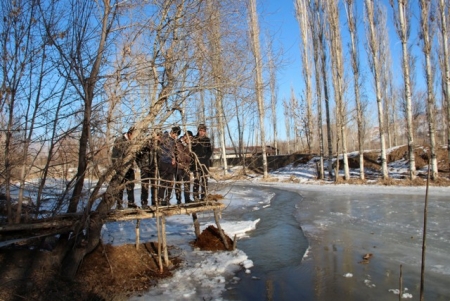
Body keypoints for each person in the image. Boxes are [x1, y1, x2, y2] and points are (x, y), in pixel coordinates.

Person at [111, 126, 137, 209]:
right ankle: (119, 204)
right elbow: (114, 155)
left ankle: (131, 203)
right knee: (120, 187)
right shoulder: (119, 140)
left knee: (131, 185)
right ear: (129, 134)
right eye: (133, 135)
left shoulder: (133, 142)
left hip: (130, 167)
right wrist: (117, 167)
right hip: (121, 168)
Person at [136, 131, 160, 208]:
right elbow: (137, 157)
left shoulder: (157, 146)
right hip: (145, 168)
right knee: (145, 186)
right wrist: (141, 166)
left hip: (153, 168)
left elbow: (158, 157)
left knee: (154, 186)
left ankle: (154, 201)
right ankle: (144, 202)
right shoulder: (143, 146)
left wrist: (156, 166)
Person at [157, 126, 181, 206]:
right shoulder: (166, 137)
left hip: (170, 163)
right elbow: (163, 146)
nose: (175, 136)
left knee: (170, 182)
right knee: (163, 181)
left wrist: (173, 158)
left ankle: (167, 198)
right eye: (175, 134)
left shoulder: (174, 141)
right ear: (172, 132)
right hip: (164, 162)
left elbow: (173, 151)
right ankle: (160, 199)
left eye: (177, 135)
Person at [191, 124, 212, 201]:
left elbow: (210, 151)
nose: (202, 132)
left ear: (205, 132)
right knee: (197, 179)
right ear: (198, 130)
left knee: (204, 180)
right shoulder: (194, 139)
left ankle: (204, 195)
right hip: (196, 163)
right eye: (200, 130)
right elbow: (191, 151)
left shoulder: (207, 140)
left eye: (203, 131)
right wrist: (195, 159)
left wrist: (205, 158)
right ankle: (195, 196)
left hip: (204, 163)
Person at [175, 131, 193, 204]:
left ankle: (187, 199)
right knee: (178, 184)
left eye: (190, 138)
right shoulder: (178, 143)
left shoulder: (189, 145)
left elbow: (190, 155)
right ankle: (178, 199)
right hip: (179, 166)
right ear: (184, 136)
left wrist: (188, 145)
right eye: (188, 137)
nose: (189, 139)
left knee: (187, 183)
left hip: (186, 167)